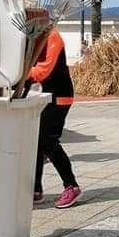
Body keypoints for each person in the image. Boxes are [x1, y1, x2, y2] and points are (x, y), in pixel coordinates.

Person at [28, 18, 80, 209]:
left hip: (60, 95)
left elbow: (43, 70)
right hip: (42, 94)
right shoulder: (31, 36)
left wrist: (18, 73)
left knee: (48, 140)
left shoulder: (53, 36)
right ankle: (35, 189)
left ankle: (71, 186)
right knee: (36, 142)